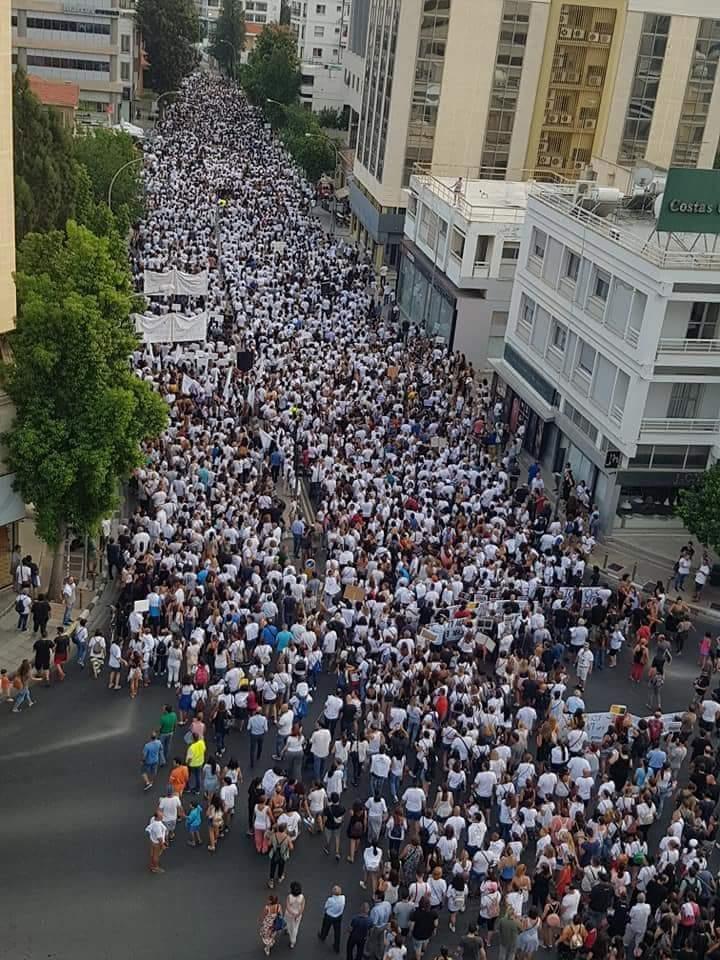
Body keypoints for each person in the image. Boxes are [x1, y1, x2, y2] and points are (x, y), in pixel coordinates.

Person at [318, 884, 346, 953]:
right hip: (338, 916)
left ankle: (323, 936)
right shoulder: (343, 898)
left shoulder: (330, 900)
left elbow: (326, 906)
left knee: (325, 927)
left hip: (329, 916)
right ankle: (336, 947)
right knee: (337, 932)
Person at [145, 809, 168, 874]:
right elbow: (159, 838)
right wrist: (162, 845)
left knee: (152, 853)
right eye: (161, 816)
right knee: (156, 855)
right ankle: (155, 867)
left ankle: (152, 864)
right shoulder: (157, 826)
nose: (162, 816)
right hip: (157, 843)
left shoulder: (153, 819)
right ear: (157, 817)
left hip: (153, 840)